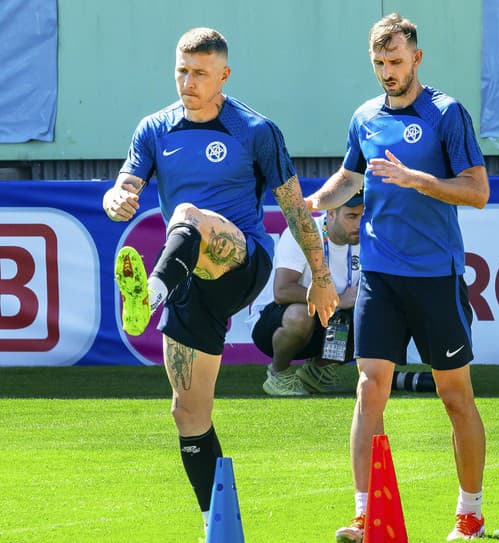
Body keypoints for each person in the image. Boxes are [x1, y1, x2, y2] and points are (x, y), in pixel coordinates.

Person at [101, 28, 338, 531]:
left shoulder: (255, 130)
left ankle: (151, 294)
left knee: (187, 213)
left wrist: (320, 275)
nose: (188, 82)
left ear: (223, 75)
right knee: (188, 414)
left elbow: (295, 208)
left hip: (241, 261)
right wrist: (116, 199)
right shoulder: (154, 129)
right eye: (182, 72)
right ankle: (218, 525)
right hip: (194, 284)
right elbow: (125, 185)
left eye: (200, 73)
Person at [306, 13, 488, 542]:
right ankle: (366, 514)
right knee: (370, 387)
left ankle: (470, 514)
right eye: (379, 63)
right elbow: (351, 175)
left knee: (455, 396)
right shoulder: (365, 116)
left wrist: (417, 180)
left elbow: (477, 191)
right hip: (379, 275)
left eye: (396, 61)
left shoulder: (446, 113)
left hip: (436, 275)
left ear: (417, 59)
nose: (388, 71)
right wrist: (317, 201)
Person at [249, 192, 364, 396]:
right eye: (352, 216)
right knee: (300, 315)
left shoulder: (368, 238)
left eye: (363, 216)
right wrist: (338, 301)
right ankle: (279, 374)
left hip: (329, 320)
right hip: (276, 321)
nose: (359, 224)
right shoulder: (304, 233)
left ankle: (317, 371)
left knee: (384, 312)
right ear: (331, 214)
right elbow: (282, 291)